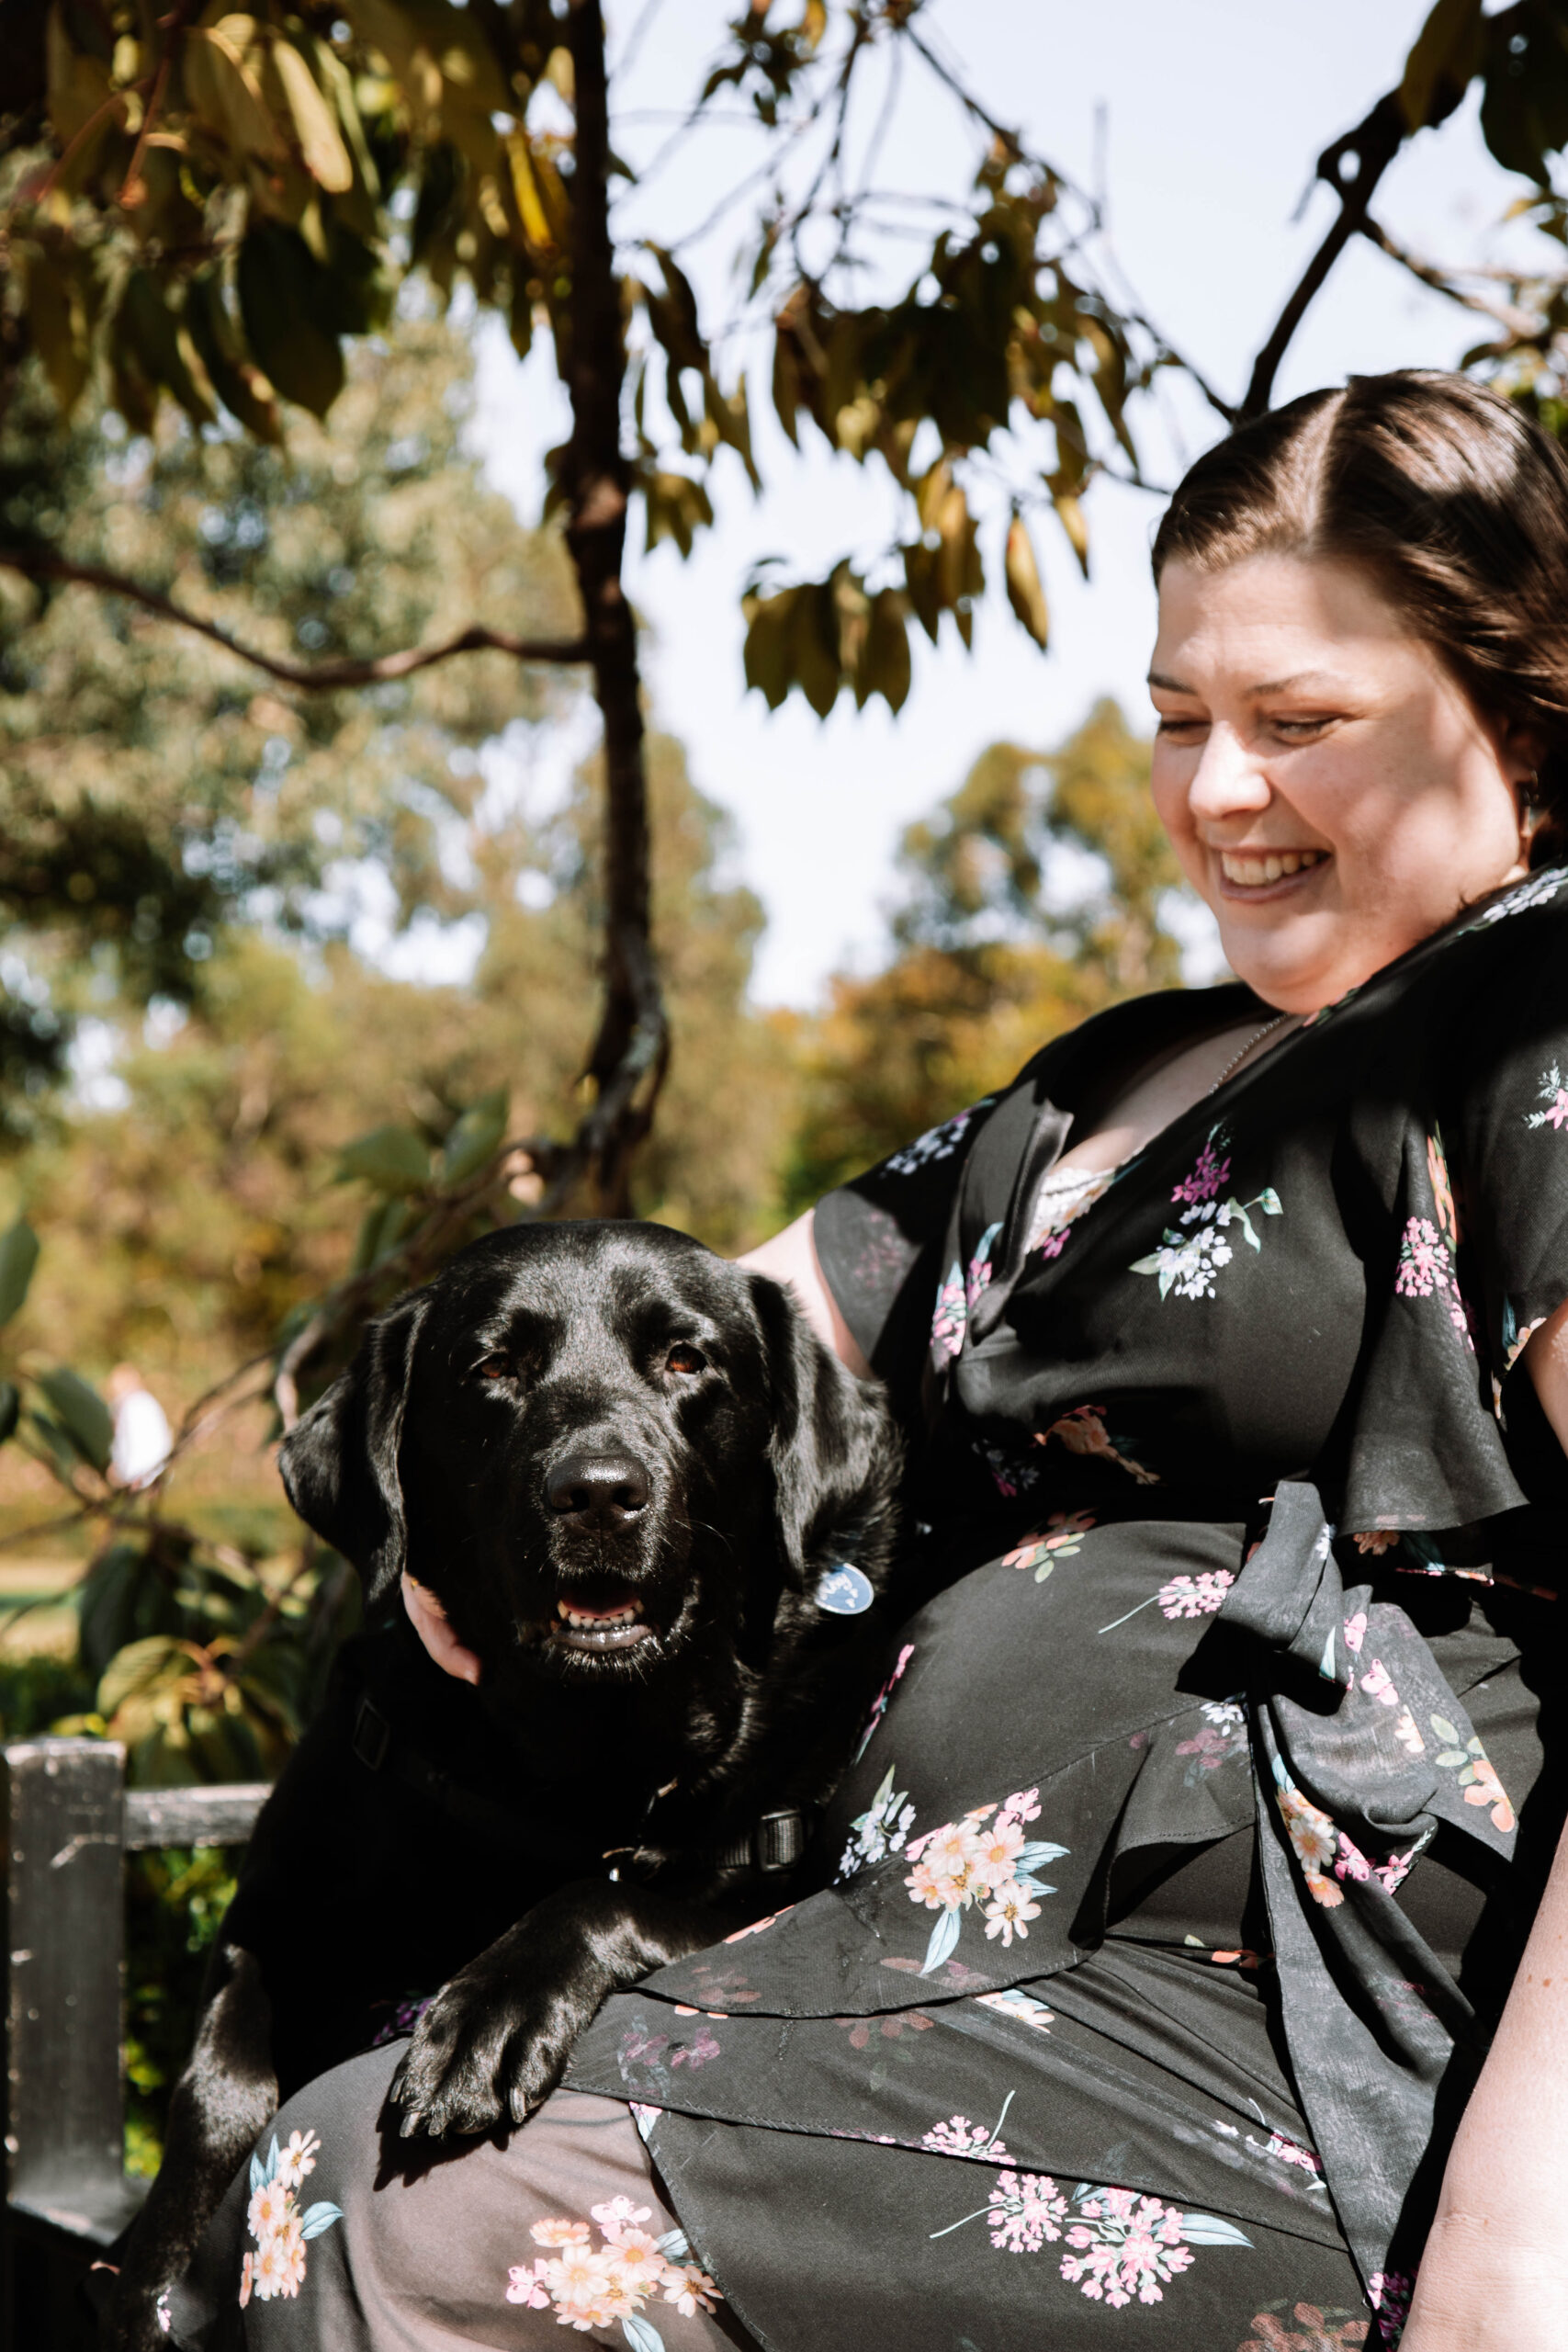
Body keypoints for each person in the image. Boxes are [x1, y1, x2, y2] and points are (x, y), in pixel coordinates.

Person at [168, 373, 1568, 2352]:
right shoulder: (1115, 1068)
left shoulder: (1535, 1017)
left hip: (1267, 2013)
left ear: (1513, 707)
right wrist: (436, 1508)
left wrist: (1522, 2262)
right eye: (1177, 719)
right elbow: (680, 1327)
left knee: (389, 2222)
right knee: (323, 2147)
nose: (1216, 789)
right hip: (900, 1935)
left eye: (1299, 723)